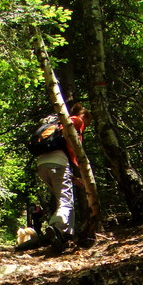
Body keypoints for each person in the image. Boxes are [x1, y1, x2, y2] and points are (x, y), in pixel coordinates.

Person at [34, 103, 91, 253]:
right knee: (66, 202)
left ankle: (64, 237)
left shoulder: (57, 124)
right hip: (58, 163)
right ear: (84, 116)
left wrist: (72, 177)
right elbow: (72, 125)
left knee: (63, 201)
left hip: (43, 164)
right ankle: (56, 227)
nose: (86, 126)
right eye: (88, 122)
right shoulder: (75, 120)